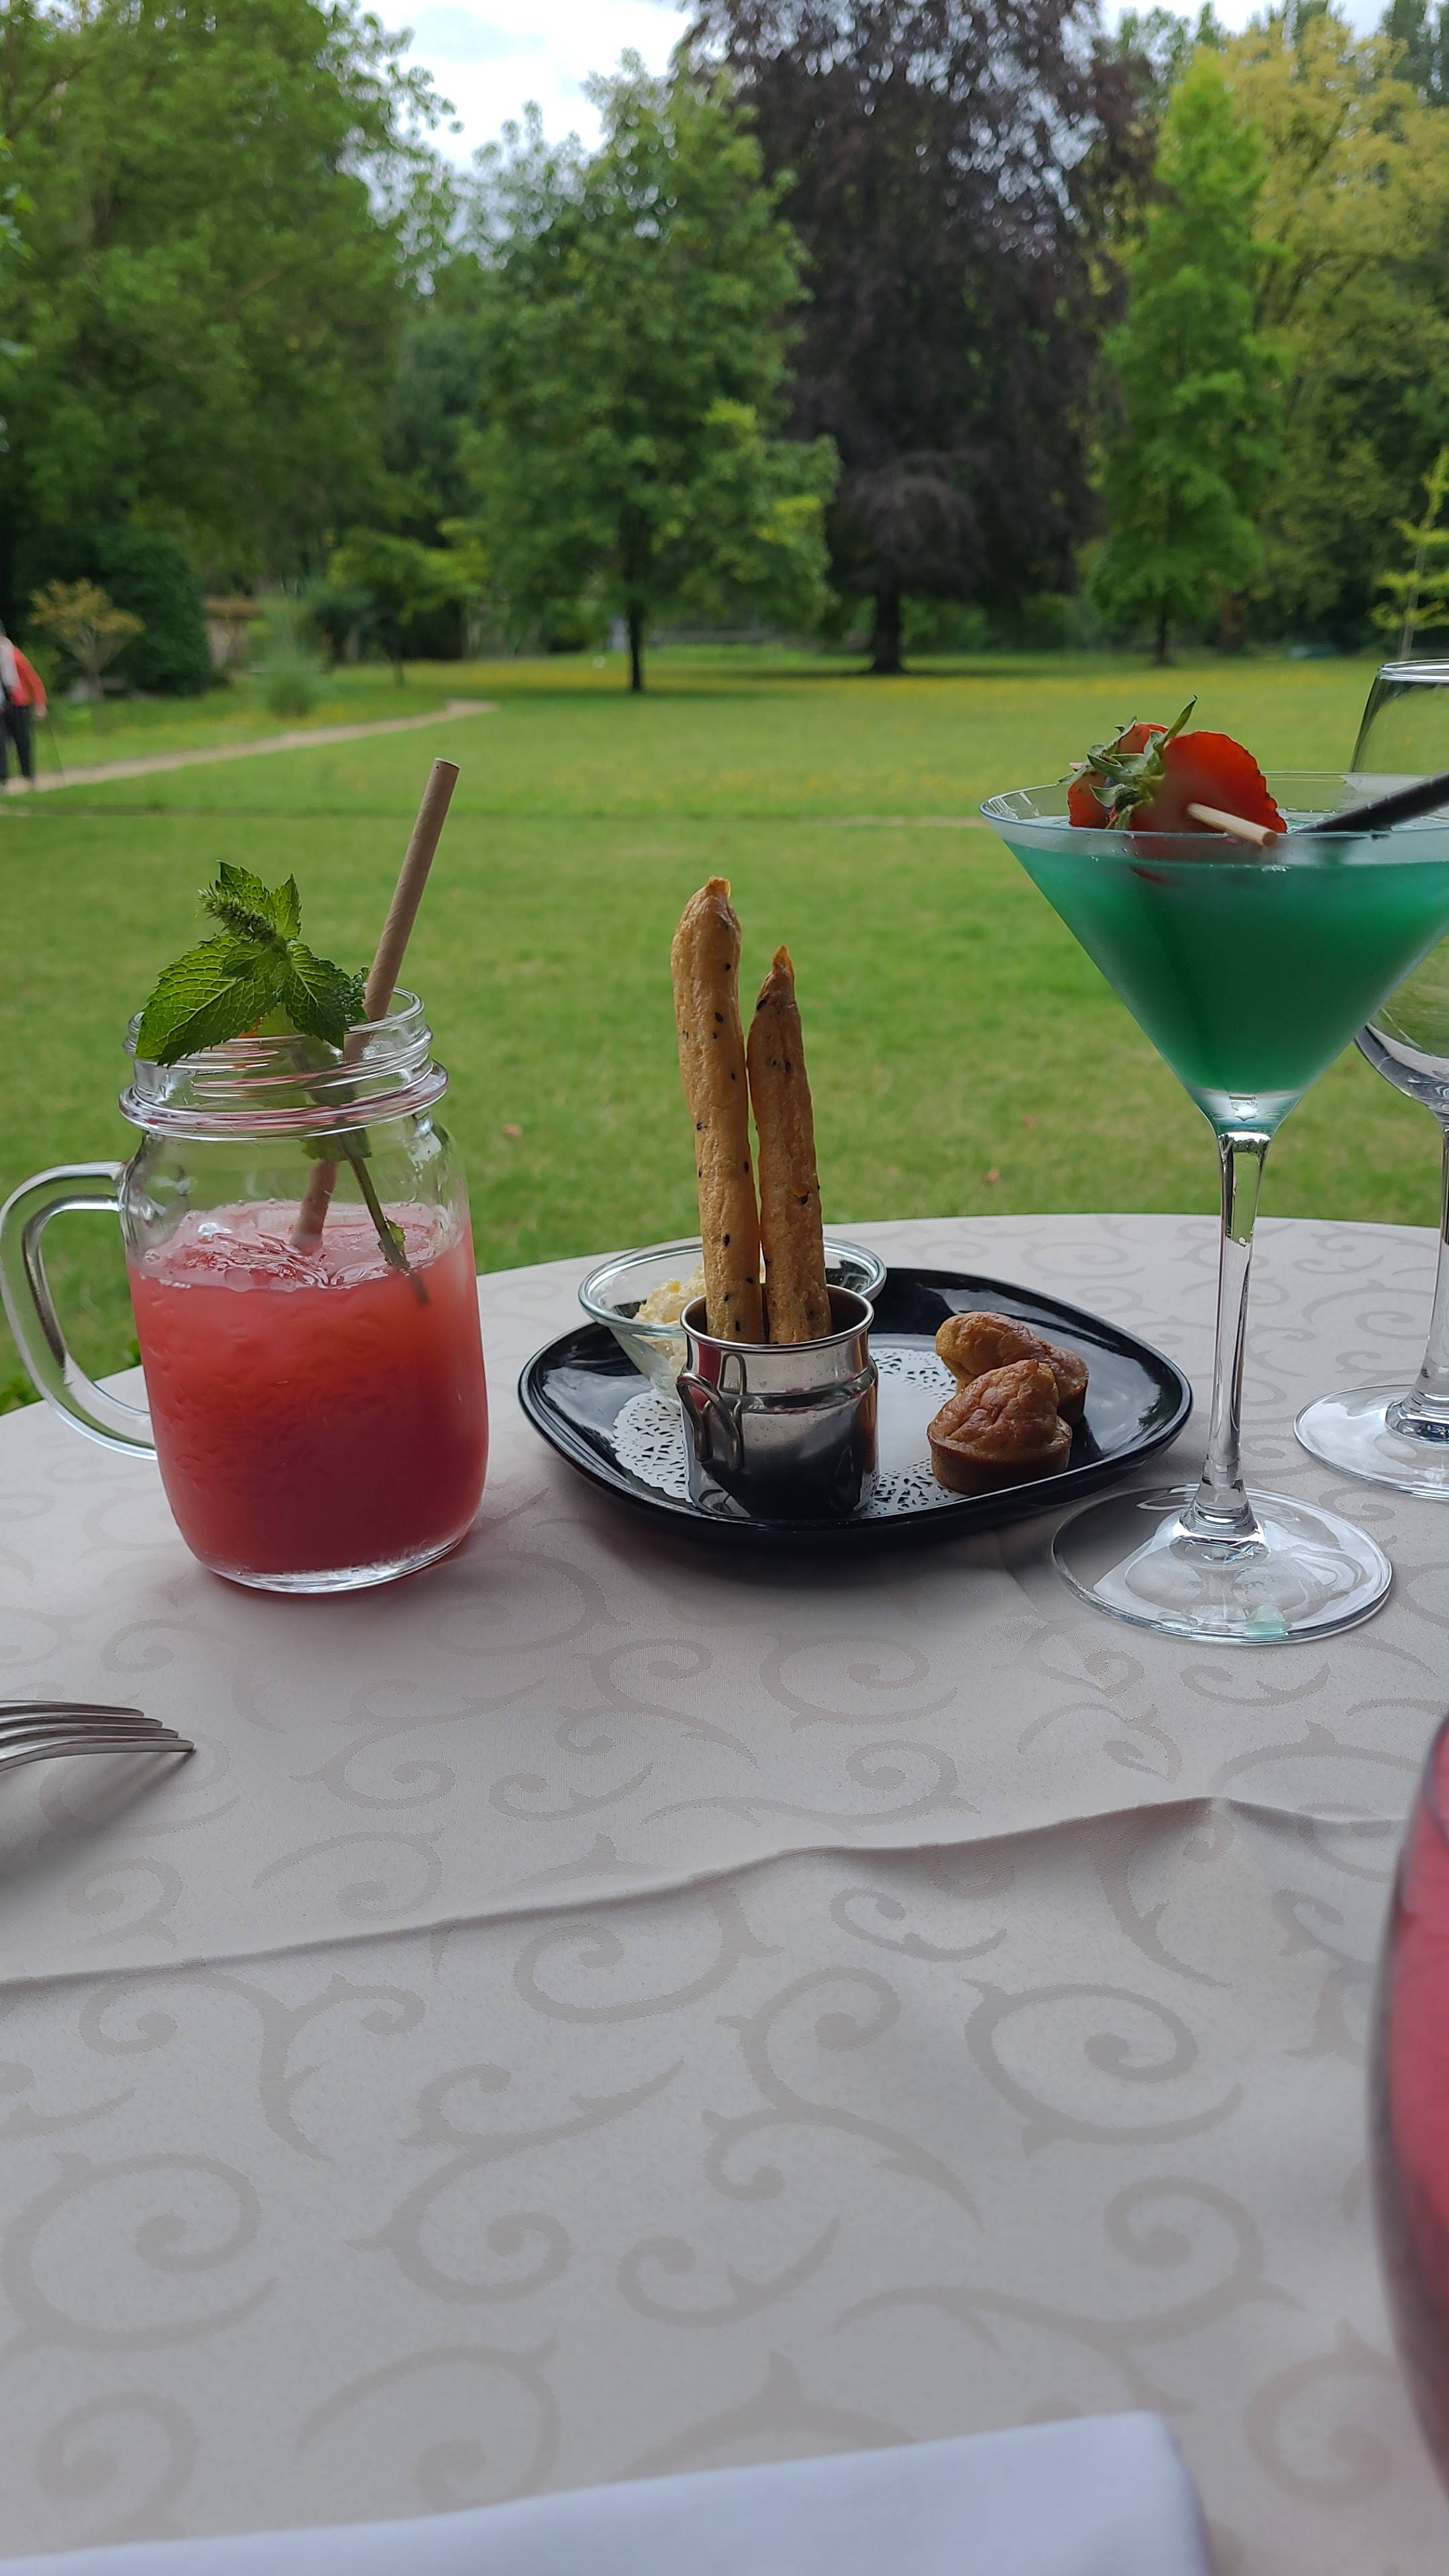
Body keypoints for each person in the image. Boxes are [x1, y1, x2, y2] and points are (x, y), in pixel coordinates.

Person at [0, 619, 48, 792]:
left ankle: (28, 775)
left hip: (17, 701)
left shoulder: (13, 655)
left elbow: (32, 679)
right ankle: (3, 779)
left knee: (22, 739)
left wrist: (40, 703)